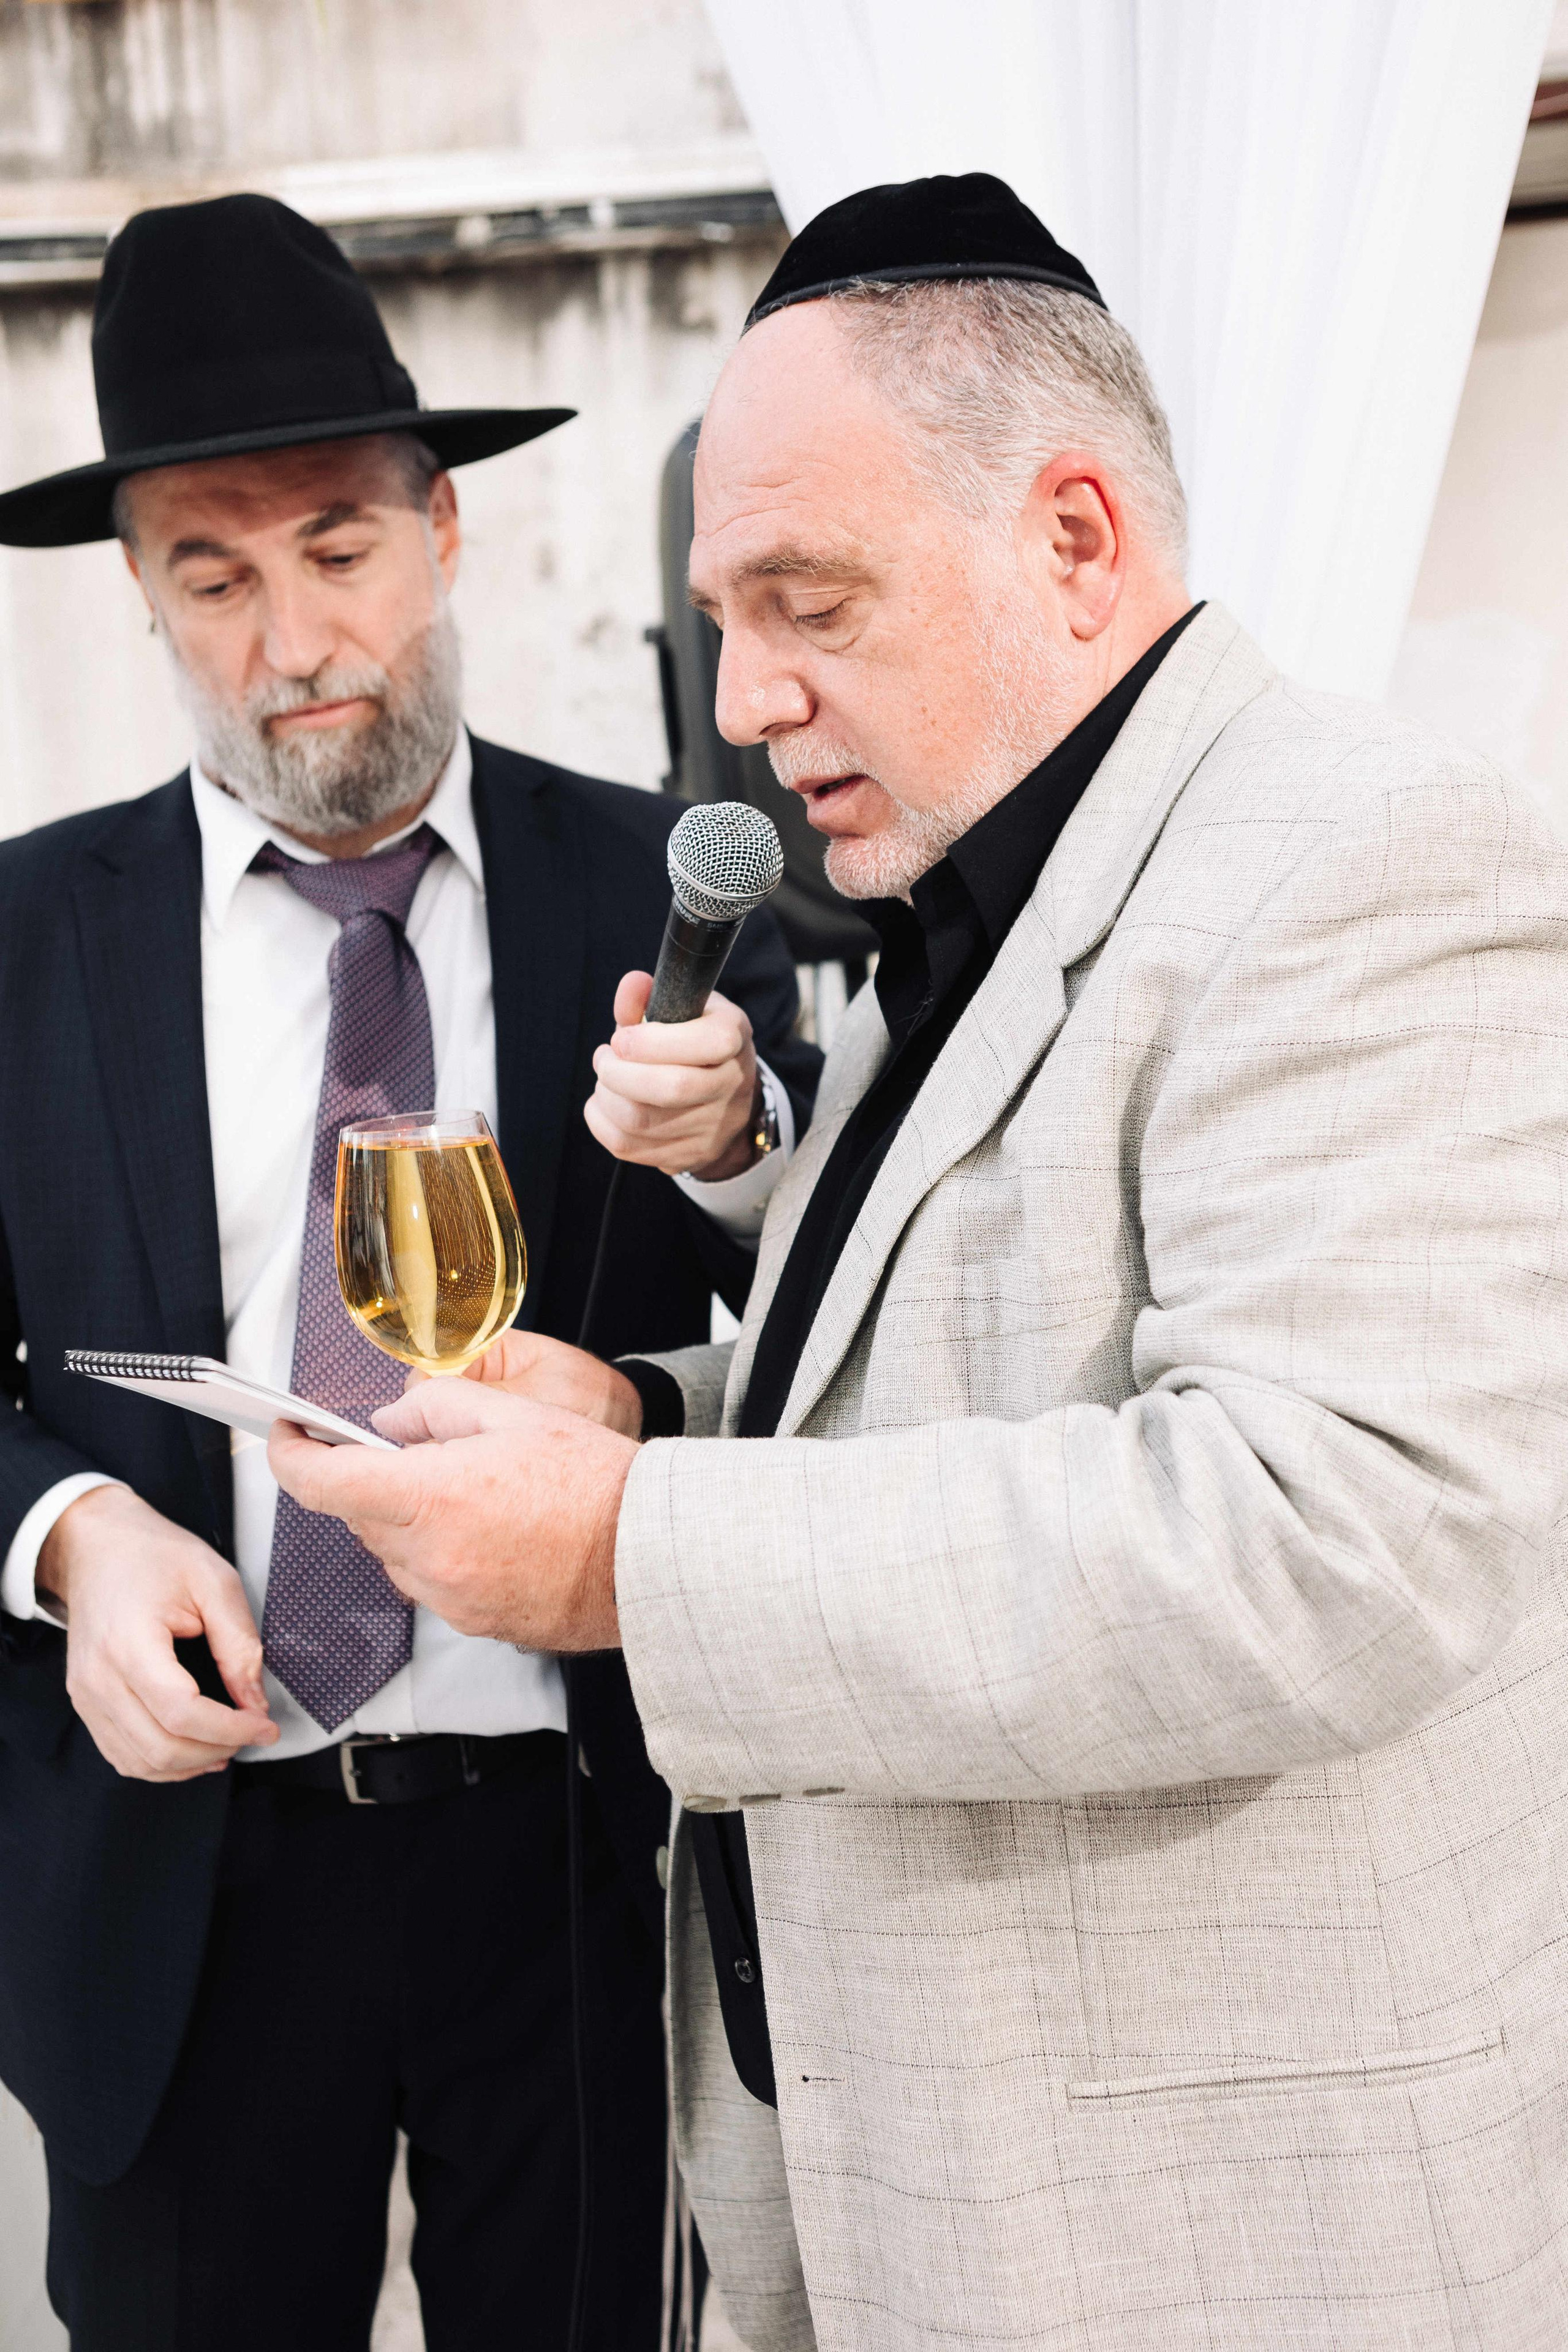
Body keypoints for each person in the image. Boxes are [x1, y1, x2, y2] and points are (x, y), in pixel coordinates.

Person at [273, 172, 1568, 2352]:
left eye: (811, 601)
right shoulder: (960, 895)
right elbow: (959, 1382)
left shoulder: (1369, 860)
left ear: (1077, 540)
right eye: (725, 611)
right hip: (895, 2197)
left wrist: (631, 1555)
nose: (750, 700)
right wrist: (653, 1412)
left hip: (1199, 2252)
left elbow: (1332, 1530)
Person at [0, 194, 818, 2351]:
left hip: (566, 1862)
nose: (294, 644)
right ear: (146, 595)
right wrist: (69, 1536)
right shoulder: (17, 940)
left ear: (444, 530)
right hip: (179, 1876)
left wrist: (738, 1142)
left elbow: (851, 1298)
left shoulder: (663, 880)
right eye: (217, 574)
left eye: (339, 552)